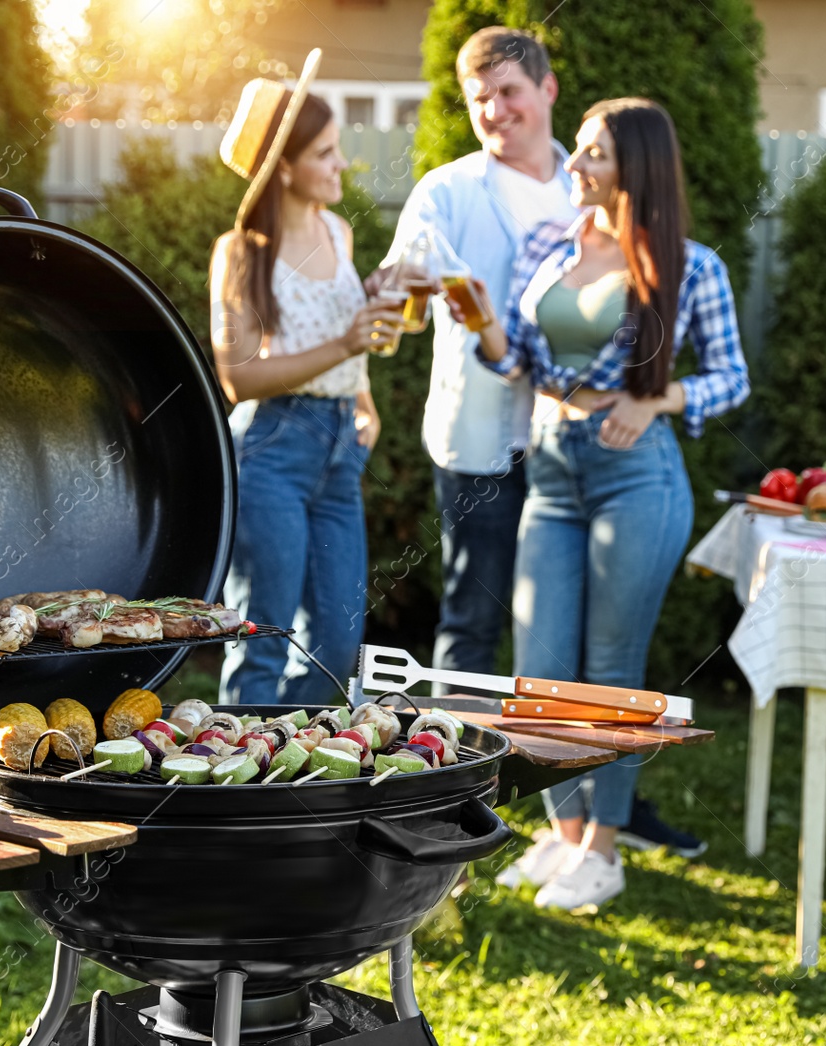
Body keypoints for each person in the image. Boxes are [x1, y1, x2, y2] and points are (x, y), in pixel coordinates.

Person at [383, 28, 704, 858]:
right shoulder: (450, 190)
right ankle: (453, 807)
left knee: (605, 650)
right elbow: (404, 286)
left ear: (548, 90)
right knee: (487, 627)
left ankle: (604, 820)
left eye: (509, 92)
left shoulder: (590, 184)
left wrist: (655, 394)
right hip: (488, 438)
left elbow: (679, 338)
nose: (495, 110)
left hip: (599, 448)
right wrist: (443, 304)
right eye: (479, 97)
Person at [466, 99, 750, 908]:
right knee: (544, 669)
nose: (576, 166)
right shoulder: (548, 245)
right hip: (554, 469)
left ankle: (605, 849)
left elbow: (732, 376)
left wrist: (654, 401)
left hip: (639, 473)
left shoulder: (692, 265)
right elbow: (517, 357)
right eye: (580, 151)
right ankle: (561, 839)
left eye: (593, 154)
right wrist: (483, 327)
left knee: (612, 668)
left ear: (637, 170)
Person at [210, 49, 403, 705]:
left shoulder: (341, 234)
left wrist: (365, 399)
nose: (340, 163)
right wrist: (344, 343)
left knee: (337, 646)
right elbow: (238, 375)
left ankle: (297, 791)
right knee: (265, 635)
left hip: (337, 447)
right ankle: (238, 792)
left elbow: (347, 333)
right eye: (324, 152)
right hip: (271, 449)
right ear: (284, 167)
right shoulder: (240, 253)